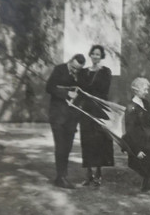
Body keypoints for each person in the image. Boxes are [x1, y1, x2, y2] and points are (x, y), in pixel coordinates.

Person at [45, 54, 86, 189]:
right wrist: (67, 94)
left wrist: (78, 99)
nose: (75, 71)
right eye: (73, 68)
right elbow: (49, 88)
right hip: (58, 115)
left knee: (67, 147)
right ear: (70, 61)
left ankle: (62, 176)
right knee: (61, 146)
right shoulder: (59, 69)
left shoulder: (80, 75)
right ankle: (61, 177)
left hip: (72, 117)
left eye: (78, 70)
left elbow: (82, 93)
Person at [79, 45, 113, 186]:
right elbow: (81, 89)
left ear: (101, 56)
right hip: (86, 110)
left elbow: (104, 89)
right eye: (93, 54)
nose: (95, 56)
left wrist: (89, 91)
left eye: (98, 54)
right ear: (90, 55)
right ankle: (88, 174)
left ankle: (98, 173)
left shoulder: (106, 72)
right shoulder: (83, 72)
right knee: (86, 140)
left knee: (99, 140)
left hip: (99, 109)